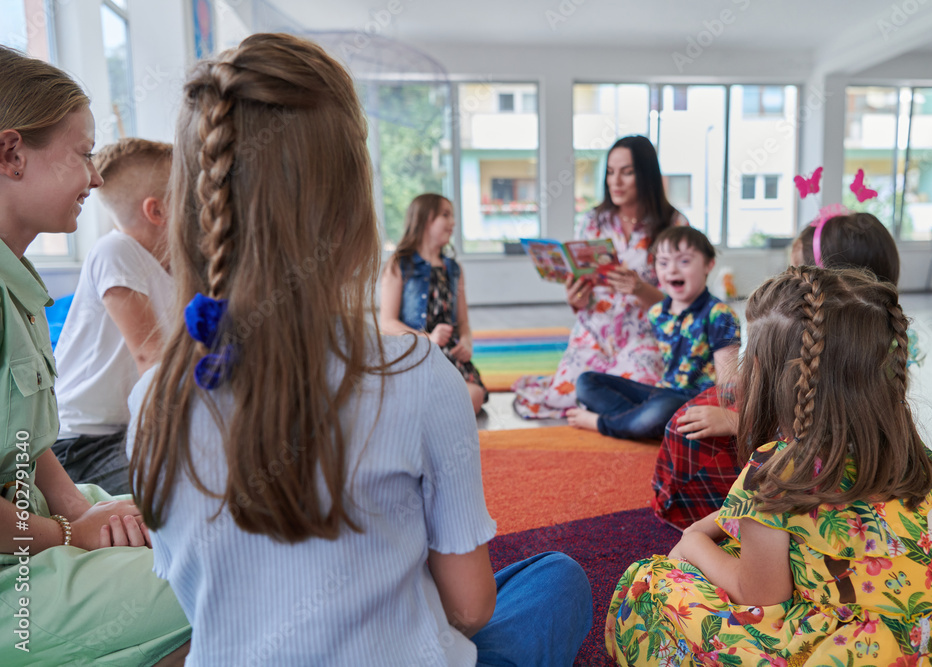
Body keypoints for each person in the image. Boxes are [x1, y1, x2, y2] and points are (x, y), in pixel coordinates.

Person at [128, 33, 592, 666]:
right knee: (556, 578)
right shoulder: (420, 374)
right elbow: (471, 608)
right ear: (350, 217)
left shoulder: (150, 402)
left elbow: (202, 596)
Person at [607, 266, 932, 666]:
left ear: (771, 377)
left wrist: (695, 539)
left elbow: (759, 596)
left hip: (850, 654)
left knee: (648, 585)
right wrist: (730, 517)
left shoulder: (774, 468)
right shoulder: (907, 447)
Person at [0, 46, 190, 664]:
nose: (97, 176)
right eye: (83, 155)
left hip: (36, 521)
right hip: (17, 572)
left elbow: (26, 442)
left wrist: (86, 510)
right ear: (11, 154)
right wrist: (68, 534)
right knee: (219, 575)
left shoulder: (17, 283)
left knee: (208, 533)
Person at [653, 208, 917, 528]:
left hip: (798, 498)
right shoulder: (878, 341)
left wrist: (736, 421)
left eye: (798, 271)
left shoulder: (823, 364)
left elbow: (806, 432)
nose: (789, 279)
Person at [512, 135, 686, 419]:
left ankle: (603, 414)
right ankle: (607, 412)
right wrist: (575, 298)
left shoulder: (674, 225)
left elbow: (684, 303)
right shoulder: (593, 222)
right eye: (610, 172)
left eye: (627, 172)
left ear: (646, 174)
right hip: (594, 330)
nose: (615, 181)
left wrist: (640, 289)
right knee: (560, 397)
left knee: (638, 394)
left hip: (644, 335)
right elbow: (584, 292)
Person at [52, 138, 174, 495]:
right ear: (157, 212)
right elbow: (151, 357)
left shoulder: (176, 264)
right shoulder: (115, 250)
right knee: (172, 494)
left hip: (126, 429)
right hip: (80, 442)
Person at [568, 226, 740, 440]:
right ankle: (643, 424)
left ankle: (604, 423)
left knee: (661, 410)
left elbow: (728, 380)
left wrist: (726, 415)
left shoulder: (719, 314)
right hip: (663, 392)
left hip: (695, 400)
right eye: (663, 262)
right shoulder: (658, 312)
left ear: (708, 265)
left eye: (684, 261)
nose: (672, 270)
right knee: (586, 382)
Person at [380, 193, 487, 414]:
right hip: (413, 352)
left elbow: (463, 322)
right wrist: (428, 339)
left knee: (475, 396)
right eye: (445, 215)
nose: (453, 223)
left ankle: (428, 409)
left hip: (448, 356)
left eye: (453, 216)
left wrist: (466, 342)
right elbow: (387, 323)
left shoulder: (454, 269)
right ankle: (434, 408)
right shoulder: (399, 264)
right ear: (425, 219)